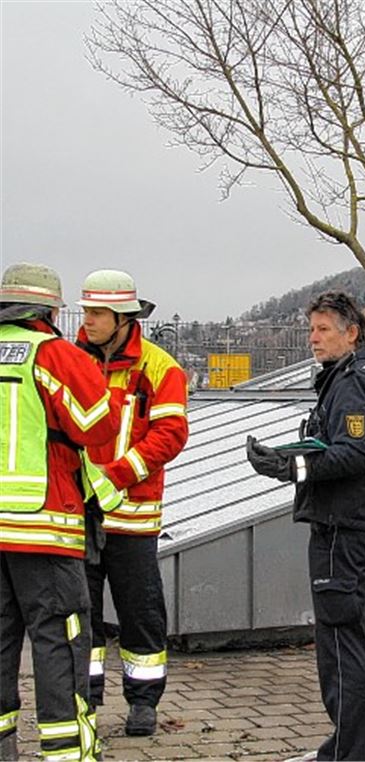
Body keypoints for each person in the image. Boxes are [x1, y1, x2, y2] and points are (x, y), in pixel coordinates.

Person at [246, 291, 365, 761]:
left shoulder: (352, 383)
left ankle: (346, 755)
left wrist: (288, 466)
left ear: (351, 333)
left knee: (342, 647)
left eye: (323, 330)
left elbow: (353, 454)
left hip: (345, 532)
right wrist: (294, 454)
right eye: (311, 329)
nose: (313, 339)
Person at [0, 263, 120, 762]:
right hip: (44, 524)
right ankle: (67, 752)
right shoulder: (51, 354)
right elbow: (98, 426)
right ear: (50, 311)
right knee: (58, 638)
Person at [75, 270, 189, 737]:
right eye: (86, 310)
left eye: (98, 313)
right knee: (79, 616)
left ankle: (143, 703)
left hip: (133, 518)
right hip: (77, 516)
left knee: (141, 614)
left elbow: (171, 434)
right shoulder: (70, 361)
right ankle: (82, 698)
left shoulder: (160, 368)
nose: (88, 320)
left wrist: (117, 475)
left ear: (123, 319)